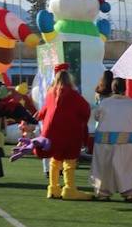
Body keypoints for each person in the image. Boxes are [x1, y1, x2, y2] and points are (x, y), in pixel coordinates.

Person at [36, 66, 91, 200]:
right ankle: (69, 189)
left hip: (51, 134)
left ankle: (53, 188)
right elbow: (85, 110)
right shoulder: (74, 95)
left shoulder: (50, 94)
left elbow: (42, 112)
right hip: (70, 133)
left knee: (55, 160)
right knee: (69, 161)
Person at [91, 77, 132, 201]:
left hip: (105, 140)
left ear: (112, 88)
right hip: (127, 141)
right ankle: (130, 192)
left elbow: (97, 117)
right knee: (127, 167)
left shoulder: (104, 103)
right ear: (125, 88)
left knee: (104, 167)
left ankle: (102, 192)